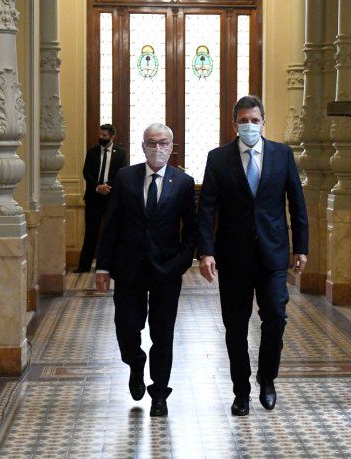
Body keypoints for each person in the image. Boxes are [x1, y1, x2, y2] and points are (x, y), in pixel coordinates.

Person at [197, 95, 308, 416]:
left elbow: (297, 203)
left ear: (263, 122)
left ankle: (267, 378)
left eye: (254, 120)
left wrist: (301, 247)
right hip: (233, 256)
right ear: (234, 124)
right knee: (235, 326)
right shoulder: (218, 158)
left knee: (275, 318)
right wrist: (205, 252)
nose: (249, 125)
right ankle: (241, 391)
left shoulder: (282, 155)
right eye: (243, 121)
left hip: (273, 254)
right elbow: (207, 208)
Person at [95, 123, 196, 417]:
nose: (158, 148)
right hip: (129, 267)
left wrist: (182, 262)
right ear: (143, 146)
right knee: (127, 327)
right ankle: (135, 363)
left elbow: (191, 229)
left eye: (164, 143)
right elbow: (111, 223)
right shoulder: (125, 177)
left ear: (171, 147)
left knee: (163, 333)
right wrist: (103, 267)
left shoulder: (183, 182)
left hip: (167, 270)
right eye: (152, 142)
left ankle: (160, 393)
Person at [75, 124, 128, 273]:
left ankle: (110, 264)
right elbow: (87, 172)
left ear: (112, 137)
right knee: (91, 232)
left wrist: (108, 186)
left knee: (111, 231)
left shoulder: (121, 153)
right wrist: (98, 186)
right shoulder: (92, 152)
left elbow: (121, 173)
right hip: (94, 197)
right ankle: (84, 265)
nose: (101, 137)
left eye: (104, 135)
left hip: (111, 198)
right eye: (100, 134)